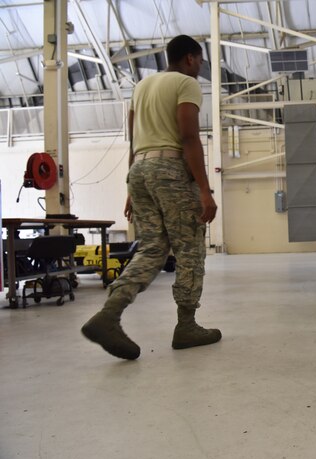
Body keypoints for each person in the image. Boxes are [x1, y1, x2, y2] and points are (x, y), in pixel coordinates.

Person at [82, 35, 220, 360]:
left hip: (140, 170)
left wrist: (131, 189)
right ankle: (186, 326)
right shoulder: (185, 84)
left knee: (154, 248)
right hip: (169, 169)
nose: (200, 67)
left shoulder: (142, 86)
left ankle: (110, 313)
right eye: (199, 61)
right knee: (189, 247)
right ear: (189, 58)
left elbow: (134, 142)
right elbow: (188, 137)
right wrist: (204, 189)